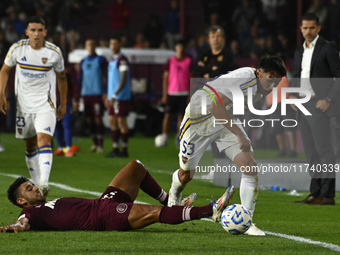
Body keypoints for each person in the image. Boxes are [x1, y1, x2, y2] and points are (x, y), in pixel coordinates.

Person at [168, 55, 287, 236]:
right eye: (270, 79)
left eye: (276, 82)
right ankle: (174, 194)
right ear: (258, 72)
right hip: (198, 120)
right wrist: (240, 135)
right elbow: (215, 107)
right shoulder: (247, 78)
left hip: (224, 120)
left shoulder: (260, 87)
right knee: (186, 175)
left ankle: (247, 221)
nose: (272, 86)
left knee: (250, 166)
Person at [0, 160, 234, 233]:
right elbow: (22, 224)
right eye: (29, 189)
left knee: (136, 167)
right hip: (104, 217)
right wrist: (12, 227)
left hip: (104, 202)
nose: (36, 189)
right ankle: (210, 211)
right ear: (21, 201)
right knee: (153, 214)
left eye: (33, 185)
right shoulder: (29, 212)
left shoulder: (41, 205)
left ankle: (170, 201)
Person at [0, 16, 67, 196]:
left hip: (46, 105)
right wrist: (2, 94)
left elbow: (62, 77)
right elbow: (4, 70)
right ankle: (38, 185)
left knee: (44, 140)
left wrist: (63, 103)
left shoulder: (54, 52)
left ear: (45, 32)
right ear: (27, 32)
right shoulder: (17, 49)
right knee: (29, 145)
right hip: (23, 107)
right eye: (33, 30)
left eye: (40, 30)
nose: (36, 34)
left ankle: (44, 182)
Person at [290, 13, 340, 206]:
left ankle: (328, 195)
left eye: (312, 28)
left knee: (323, 149)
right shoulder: (298, 51)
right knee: (311, 151)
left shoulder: (328, 48)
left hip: (318, 105)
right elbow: (297, 75)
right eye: (305, 28)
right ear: (301, 29)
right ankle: (315, 192)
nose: (308, 31)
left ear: (318, 28)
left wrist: (328, 99)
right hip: (302, 105)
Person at [156, 40, 192, 147]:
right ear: (175, 48)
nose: (180, 49)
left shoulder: (188, 61)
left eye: (182, 47)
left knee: (181, 116)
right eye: (178, 47)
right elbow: (165, 78)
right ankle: (164, 137)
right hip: (172, 92)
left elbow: (192, 77)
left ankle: (179, 137)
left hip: (184, 93)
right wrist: (164, 95)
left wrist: (191, 94)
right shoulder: (171, 61)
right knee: (167, 115)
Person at [79, 39, 108, 153]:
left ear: (95, 46)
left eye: (92, 44)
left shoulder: (101, 60)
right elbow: (80, 79)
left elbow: (106, 77)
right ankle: (94, 143)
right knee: (89, 119)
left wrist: (105, 92)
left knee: (98, 118)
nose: (90, 46)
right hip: (86, 94)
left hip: (97, 93)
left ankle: (100, 144)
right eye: (88, 45)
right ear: (85, 47)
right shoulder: (83, 61)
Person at [105, 36, 131, 158]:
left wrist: (115, 95)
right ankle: (115, 149)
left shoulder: (122, 60)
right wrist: (108, 95)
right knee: (112, 120)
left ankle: (124, 150)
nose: (113, 46)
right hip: (113, 97)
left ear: (120, 45)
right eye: (111, 44)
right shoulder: (112, 60)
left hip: (121, 97)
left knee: (121, 121)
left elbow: (123, 79)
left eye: (115, 44)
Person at [54, 63, 80, 157]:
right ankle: (60, 148)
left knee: (66, 124)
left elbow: (74, 84)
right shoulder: (49, 65)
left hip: (65, 101)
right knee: (56, 125)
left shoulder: (68, 68)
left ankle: (68, 148)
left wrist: (76, 99)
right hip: (53, 101)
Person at [266, 77, 297, 157]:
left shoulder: (286, 74)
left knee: (289, 125)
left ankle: (293, 150)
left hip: (285, 102)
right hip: (273, 103)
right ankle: (282, 149)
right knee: (277, 128)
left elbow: (293, 83)